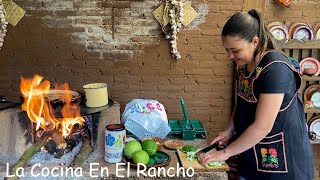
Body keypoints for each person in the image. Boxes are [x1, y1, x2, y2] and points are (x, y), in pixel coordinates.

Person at [200, 9, 314, 180]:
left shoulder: (275, 70)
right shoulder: (247, 64)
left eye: (235, 50)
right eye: (227, 50)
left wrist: (225, 153)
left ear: (255, 41)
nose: (230, 56)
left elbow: (262, 126)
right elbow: (242, 100)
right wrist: (230, 129)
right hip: (252, 154)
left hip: (282, 162)